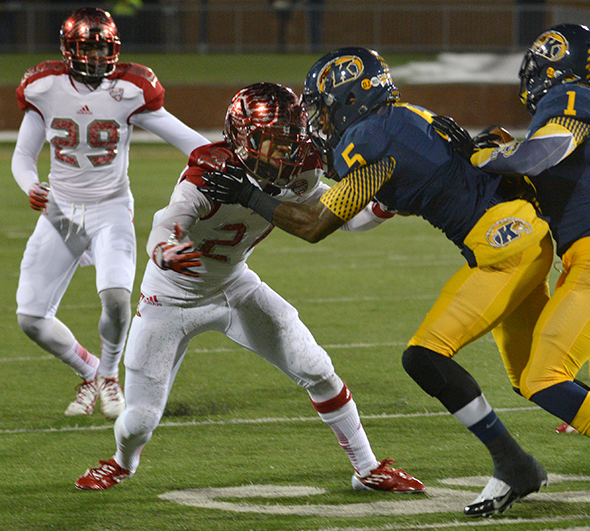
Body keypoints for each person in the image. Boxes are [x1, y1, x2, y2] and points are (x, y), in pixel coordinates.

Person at [199, 47, 555, 517]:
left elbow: (314, 225)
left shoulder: (369, 137)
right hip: (512, 239)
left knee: (431, 359)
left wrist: (248, 194)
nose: (321, 122)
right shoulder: (399, 121)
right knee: (543, 377)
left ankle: (522, 462)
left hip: (503, 247)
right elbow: (377, 203)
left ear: (349, 99)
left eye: (324, 109)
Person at [74, 82, 425, 494]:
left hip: (234, 286)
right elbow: (166, 224)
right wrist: (166, 250)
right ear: (243, 138)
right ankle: (121, 463)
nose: (286, 153)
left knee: (316, 368)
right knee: (140, 420)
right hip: (170, 297)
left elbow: (343, 217)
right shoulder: (211, 172)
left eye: (291, 141)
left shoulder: (303, 169)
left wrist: (383, 207)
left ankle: (367, 468)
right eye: (273, 143)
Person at [463, 23, 590, 520]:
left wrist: (483, 156)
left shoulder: (573, 96)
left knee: (542, 377)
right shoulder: (579, 107)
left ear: (558, 68)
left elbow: (544, 153)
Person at [11, 7, 210, 420]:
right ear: (69, 50)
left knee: (118, 299)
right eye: (88, 48)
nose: (98, 57)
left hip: (111, 207)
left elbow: (187, 140)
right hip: (60, 211)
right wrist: (30, 185)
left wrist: (221, 158)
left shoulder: (131, 90)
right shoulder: (44, 87)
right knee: (30, 318)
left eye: (103, 48)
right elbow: (23, 156)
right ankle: (90, 372)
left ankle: (110, 373)